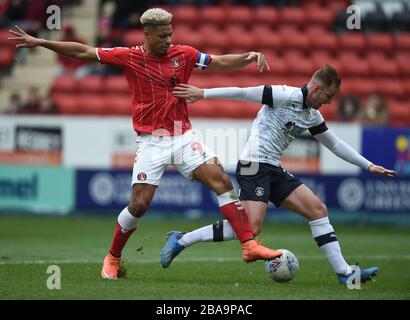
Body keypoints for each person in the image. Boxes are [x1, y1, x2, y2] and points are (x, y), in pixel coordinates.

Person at [9, 8, 282, 281]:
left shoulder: (183, 54)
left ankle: (248, 245)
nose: (168, 40)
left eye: (170, 34)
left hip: (183, 136)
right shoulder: (130, 57)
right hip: (151, 142)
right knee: (139, 204)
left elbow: (219, 62)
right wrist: (42, 42)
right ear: (148, 34)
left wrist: (248, 56)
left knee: (221, 181)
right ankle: (113, 256)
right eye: (163, 36)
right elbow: (83, 52)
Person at [165, 65, 396, 285]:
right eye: (329, 95)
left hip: (273, 168)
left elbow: (334, 145)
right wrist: (203, 93)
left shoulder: (312, 115)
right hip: (253, 165)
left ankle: (345, 273)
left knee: (318, 210)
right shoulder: (284, 94)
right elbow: (243, 94)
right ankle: (182, 239)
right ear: (316, 88)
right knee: (250, 229)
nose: (329, 101)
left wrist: (368, 165)